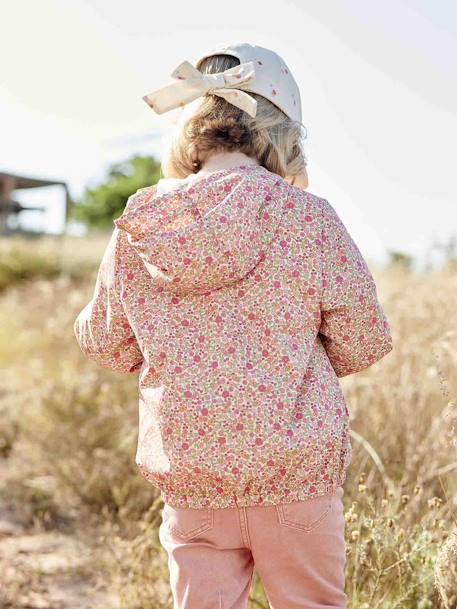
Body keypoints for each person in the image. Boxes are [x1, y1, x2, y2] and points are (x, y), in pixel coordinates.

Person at [74, 42, 393, 609]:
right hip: (295, 475)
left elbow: (103, 340)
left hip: (194, 474)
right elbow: (364, 338)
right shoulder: (309, 218)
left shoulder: (143, 222)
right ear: (281, 129)